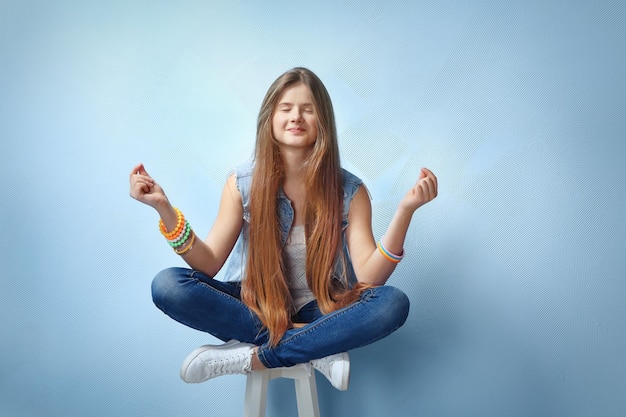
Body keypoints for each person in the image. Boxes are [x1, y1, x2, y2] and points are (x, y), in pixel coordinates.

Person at [129, 67, 437, 391]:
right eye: (286, 108)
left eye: (308, 109)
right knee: (168, 284)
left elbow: (369, 279)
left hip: (321, 307)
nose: (296, 117)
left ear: (323, 122)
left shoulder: (349, 190)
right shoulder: (242, 183)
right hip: (254, 306)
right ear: (270, 119)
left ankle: (257, 356)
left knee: (391, 303)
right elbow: (208, 264)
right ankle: (315, 347)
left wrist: (405, 211)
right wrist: (163, 208)